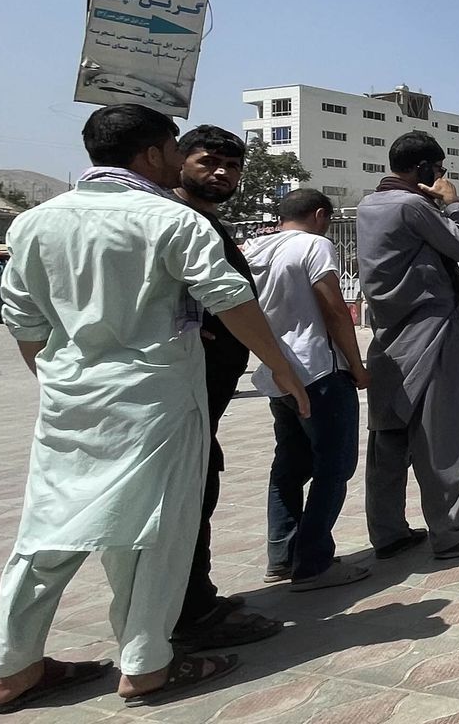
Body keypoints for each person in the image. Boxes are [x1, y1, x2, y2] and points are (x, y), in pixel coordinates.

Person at [0, 105, 310, 712]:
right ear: (157, 153)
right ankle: (145, 664)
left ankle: (11, 666)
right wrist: (284, 368)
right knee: (156, 532)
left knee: (46, 533)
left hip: (71, 402)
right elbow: (230, 297)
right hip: (156, 401)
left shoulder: (33, 223)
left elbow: (23, 321)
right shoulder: (169, 220)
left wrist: (61, 379)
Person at [357, 131, 459, 562]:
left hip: (389, 335)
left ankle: (387, 532)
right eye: (438, 170)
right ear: (423, 169)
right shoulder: (413, 205)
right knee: (445, 432)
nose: (441, 177)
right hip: (433, 327)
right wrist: (453, 202)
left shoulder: (370, 204)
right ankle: (449, 531)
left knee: (388, 436)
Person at [167, 126, 285, 651]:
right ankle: (188, 614)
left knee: (201, 489)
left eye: (232, 166)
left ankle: (198, 597)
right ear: (175, 161)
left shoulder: (205, 223)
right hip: (180, 389)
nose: (221, 173)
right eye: (208, 162)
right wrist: (280, 368)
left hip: (206, 393)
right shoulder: (174, 223)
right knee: (187, 495)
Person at [246, 188, 370, 592]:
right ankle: (314, 562)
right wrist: (356, 364)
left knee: (289, 466)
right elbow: (335, 308)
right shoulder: (314, 245)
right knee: (333, 467)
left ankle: (281, 557)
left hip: (277, 373)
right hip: (319, 370)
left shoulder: (254, 248)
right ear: (320, 215)